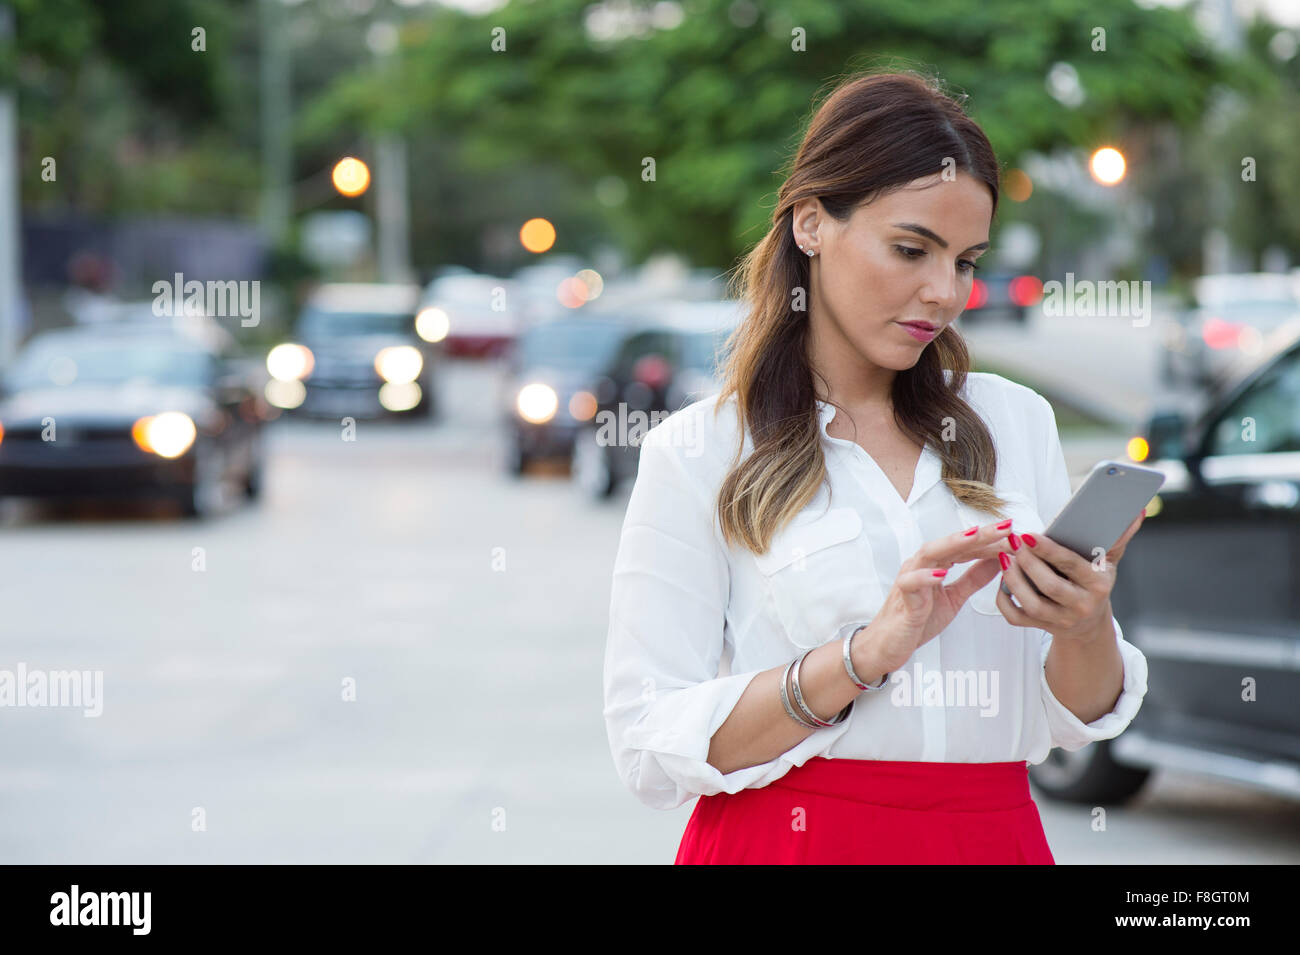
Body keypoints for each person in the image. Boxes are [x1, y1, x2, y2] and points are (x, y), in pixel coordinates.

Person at [601, 70, 1150, 865]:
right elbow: (649, 746)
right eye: (910, 248)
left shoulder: (1015, 421)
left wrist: (1085, 620)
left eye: (966, 261)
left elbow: (1079, 715)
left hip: (988, 839)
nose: (945, 291)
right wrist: (863, 656)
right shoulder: (700, 450)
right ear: (813, 224)